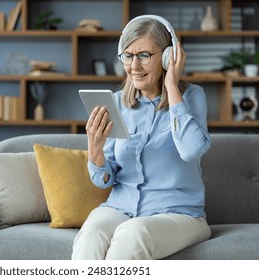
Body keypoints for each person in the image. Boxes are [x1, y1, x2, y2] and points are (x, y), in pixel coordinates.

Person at [71, 15, 212, 260]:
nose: (134, 66)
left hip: (178, 214)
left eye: (144, 55)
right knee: (91, 232)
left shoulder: (190, 97)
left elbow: (191, 150)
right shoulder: (117, 103)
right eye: (128, 56)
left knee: (132, 233)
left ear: (169, 57)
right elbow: (105, 180)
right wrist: (95, 149)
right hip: (120, 208)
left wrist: (172, 86)